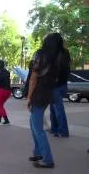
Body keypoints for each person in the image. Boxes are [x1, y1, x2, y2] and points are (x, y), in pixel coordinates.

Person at [27, 33, 65, 168]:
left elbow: (33, 77)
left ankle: (47, 159)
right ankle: (38, 152)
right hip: (47, 93)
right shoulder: (57, 58)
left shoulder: (41, 55)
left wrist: (29, 96)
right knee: (33, 123)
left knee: (37, 127)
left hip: (38, 93)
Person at [49, 47, 71, 138]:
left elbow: (54, 70)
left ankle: (62, 131)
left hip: (56, 85)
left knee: (57, 108)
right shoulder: (65, 53)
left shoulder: (55, 54)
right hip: (63, 84)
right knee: (54, 108)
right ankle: (55, 129)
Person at [0, 60, 11, 124]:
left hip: (0, 91)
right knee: (0, 105)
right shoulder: (8, 72)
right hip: (8, 91)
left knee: (0, 106)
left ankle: (6, 120)